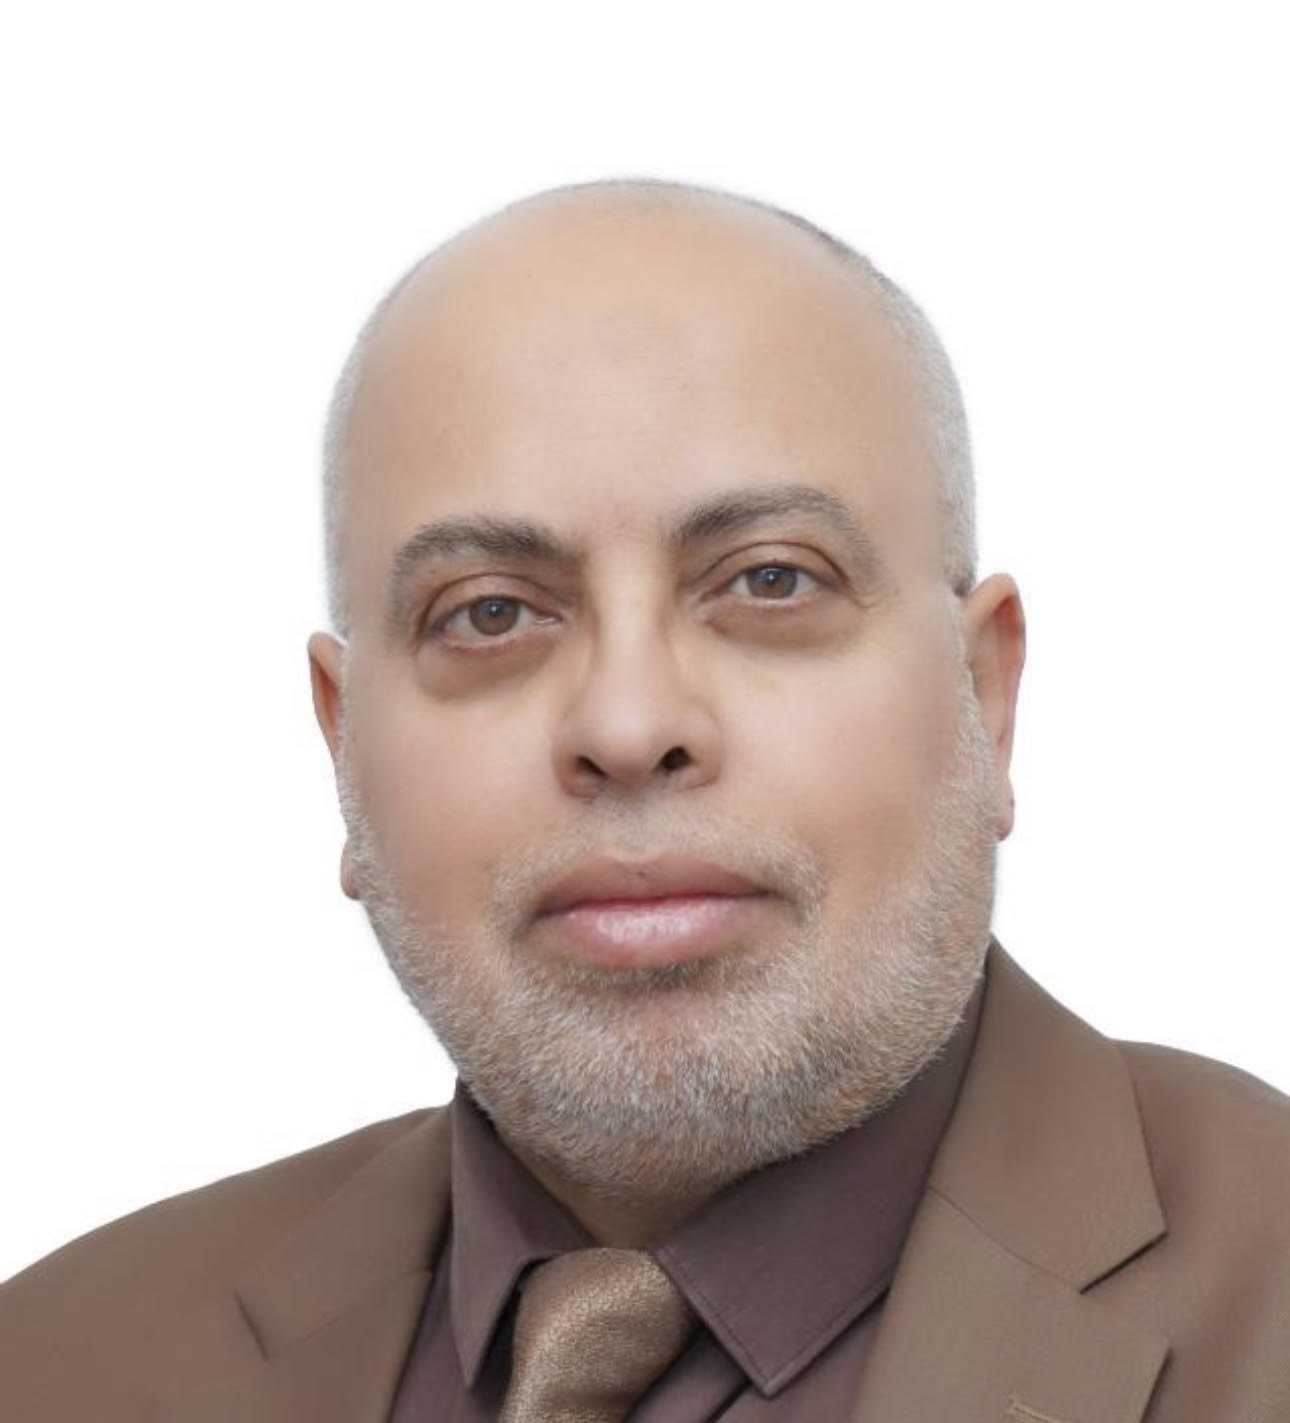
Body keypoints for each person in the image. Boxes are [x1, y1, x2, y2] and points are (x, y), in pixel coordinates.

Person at [2, 179, 1288, 1422]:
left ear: (985, 695)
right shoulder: (54, 1365)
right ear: (344, 743)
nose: (626, 726)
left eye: (772, 580)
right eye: (488, 612)